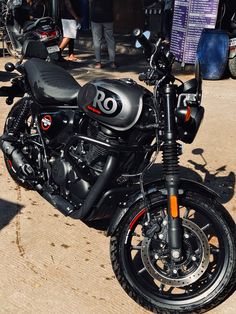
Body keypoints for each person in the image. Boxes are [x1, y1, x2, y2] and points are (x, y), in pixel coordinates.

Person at [90, 0, 116, 69]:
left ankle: (98, 63)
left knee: (97, 40)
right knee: (110, 39)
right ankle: (112, 62)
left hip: (96, 16)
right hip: (108, 16)